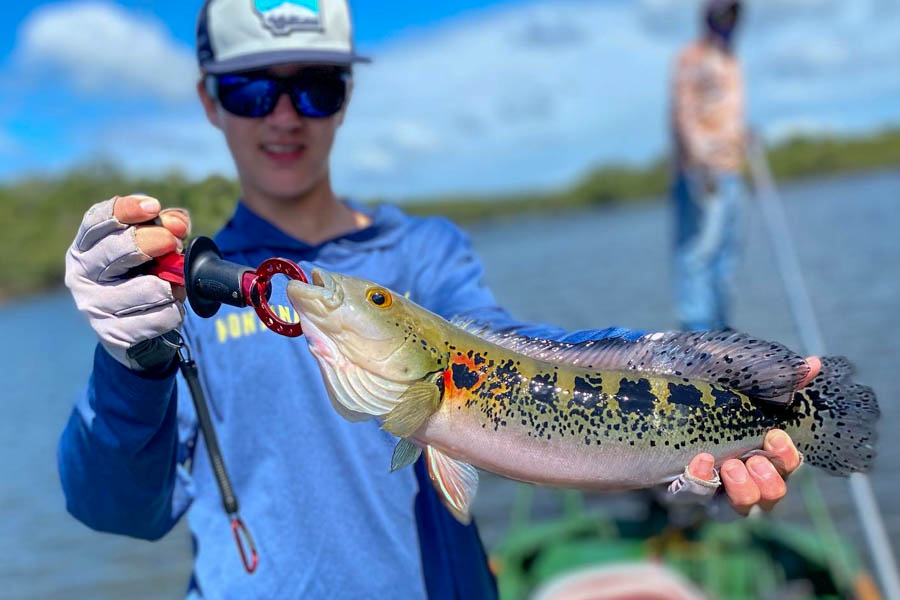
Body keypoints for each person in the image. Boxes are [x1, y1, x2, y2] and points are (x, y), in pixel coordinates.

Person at [59, 0, 804, 597]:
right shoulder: (180, 290)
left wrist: (687, 368)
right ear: (209, 100)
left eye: (316, 85)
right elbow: (119, 510)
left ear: (346, 95)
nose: (285, 115)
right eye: (252, 88)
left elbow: (517, 346)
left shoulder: (426, 253)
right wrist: (129, 364)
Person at [670, 0, 746, 331]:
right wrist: (700, 162)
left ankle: (722, 330)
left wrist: (743, 136)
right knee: (698, 254)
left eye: (732, 15)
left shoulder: (731, 60)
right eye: (721, 15)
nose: (726, 22)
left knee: (726, 255)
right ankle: (697, 334)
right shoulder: (693, 56)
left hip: (732, 169)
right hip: (703, 172)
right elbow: (683, 113)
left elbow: (728, 113)